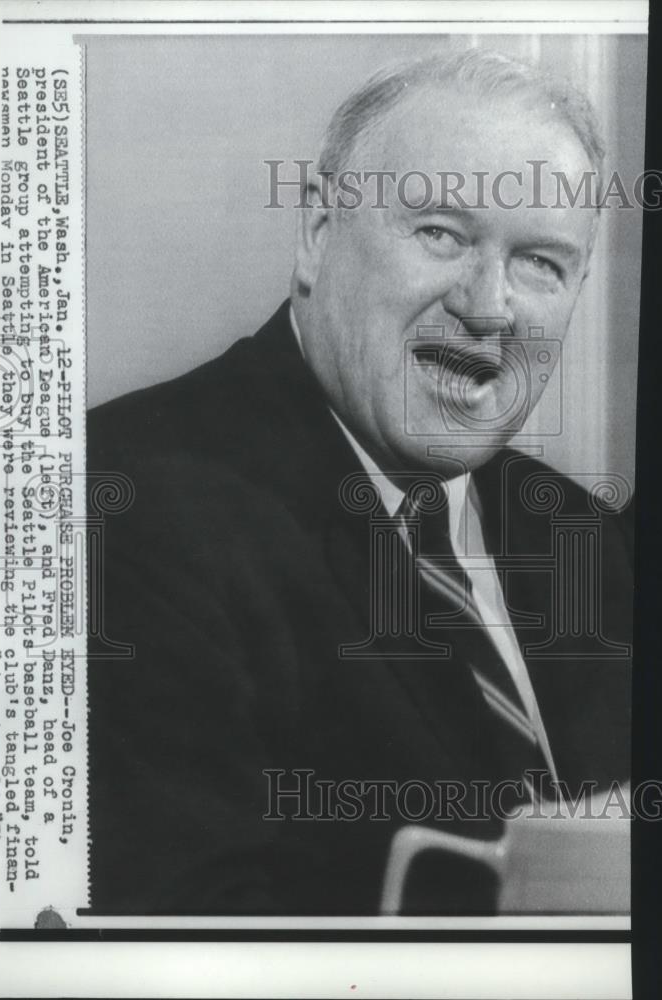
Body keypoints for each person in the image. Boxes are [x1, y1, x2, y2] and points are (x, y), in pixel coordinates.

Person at [86, 49, 632, 915]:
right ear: (315, 234)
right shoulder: (124, 500)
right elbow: (183, 937)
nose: (489, 307)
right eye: (441, 234)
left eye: (541, 262)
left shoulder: (580, 533)